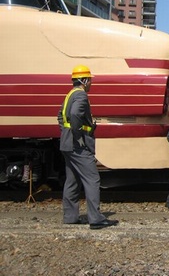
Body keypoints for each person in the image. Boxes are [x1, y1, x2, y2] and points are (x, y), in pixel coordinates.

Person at [57, 65, 118, 230]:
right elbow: (76, 115)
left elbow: (60, 116)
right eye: (89, 79)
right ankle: (96, 219)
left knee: (72, 180)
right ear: (83, 80)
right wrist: (78, 136)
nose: (91, 82)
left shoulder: (69, 95)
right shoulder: (81, 96)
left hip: (67, 144)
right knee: (92, 179)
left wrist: (67, 133)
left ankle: (70, 217)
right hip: (78, 145)